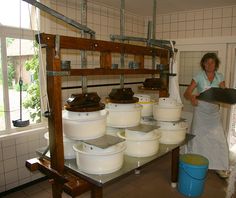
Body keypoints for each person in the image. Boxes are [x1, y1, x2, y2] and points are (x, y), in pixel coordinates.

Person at [184, 52, 230, 178]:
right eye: (207, 62)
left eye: (212, 62)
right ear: (203, 64)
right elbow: (187, 93)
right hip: (201, 112)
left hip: (214, 113)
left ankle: (219, 166)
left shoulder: (220, 77)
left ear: (216, 65)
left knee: (218, 138)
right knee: (199, 139)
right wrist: (192, 97)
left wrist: (226, 92)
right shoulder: (198, 76)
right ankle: (197, 164)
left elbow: (223, 93)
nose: (209, 65)